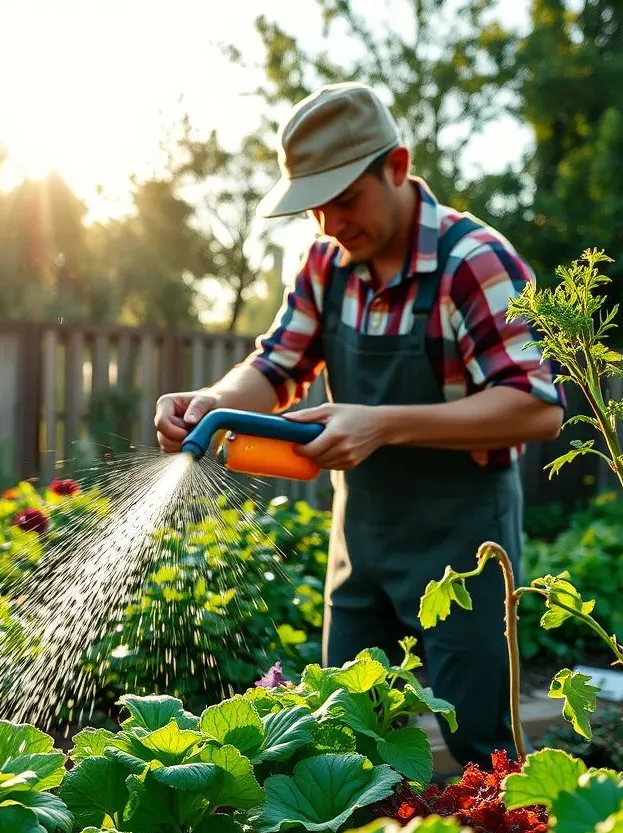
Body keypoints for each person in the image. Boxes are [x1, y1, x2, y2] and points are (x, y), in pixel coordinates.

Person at [154, 82, 565, 768]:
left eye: (345, 198)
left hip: (464, 541)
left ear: (397, 167)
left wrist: (383, 424)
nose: (330, 223)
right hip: (363, 540)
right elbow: (277, 365)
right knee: (343, 734)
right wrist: (210, 399)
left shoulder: (473, 262)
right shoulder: (325, 266)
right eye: (316, 206)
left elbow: (536, 405)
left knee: (481, 746)